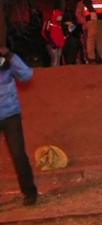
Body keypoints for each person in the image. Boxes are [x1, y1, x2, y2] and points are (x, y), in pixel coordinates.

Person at [0, 47, 38, 206]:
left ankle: (29, 192)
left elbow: (27, 75)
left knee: (18, 154)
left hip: (10, 114)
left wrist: (11, 56)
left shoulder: (6, 62)